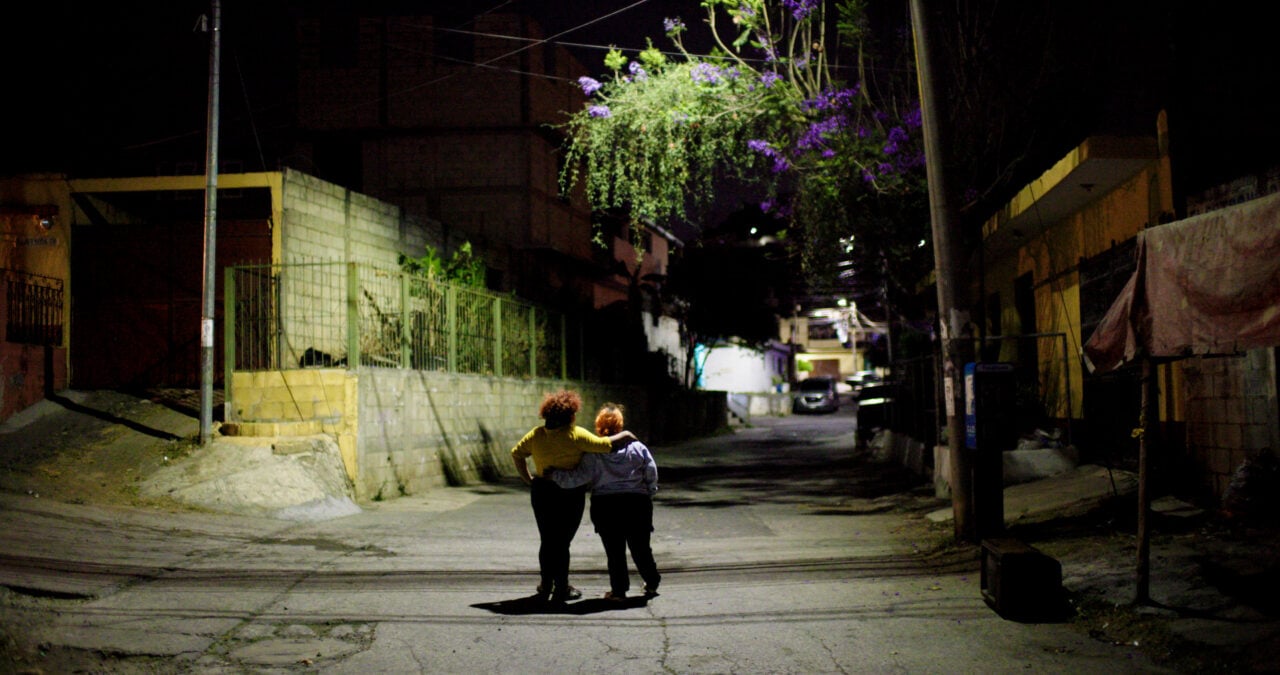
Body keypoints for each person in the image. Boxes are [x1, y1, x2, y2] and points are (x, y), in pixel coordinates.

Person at [511, 390, 636, 603]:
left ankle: (546, 584)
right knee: (562, 541)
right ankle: (561, 588)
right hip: (569, 494)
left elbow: (517, 453)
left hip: (541, 491)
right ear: (570, 415)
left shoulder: (536, 435)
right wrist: (625, 435)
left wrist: (529, 479)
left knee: (547, 539)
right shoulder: (576, 435)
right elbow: (605, 445)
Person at [548, 403, 661, 601]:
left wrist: (554, 474)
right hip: (637, 502)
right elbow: (651, 472)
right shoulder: (638, 448)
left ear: (599, 426)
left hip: (606, 505)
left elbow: (578, 477)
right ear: (620, 424)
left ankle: (619, 591)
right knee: (641, 547)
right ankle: (652, 582)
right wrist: (648, 493)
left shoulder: (593, 453)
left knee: (614, 550)